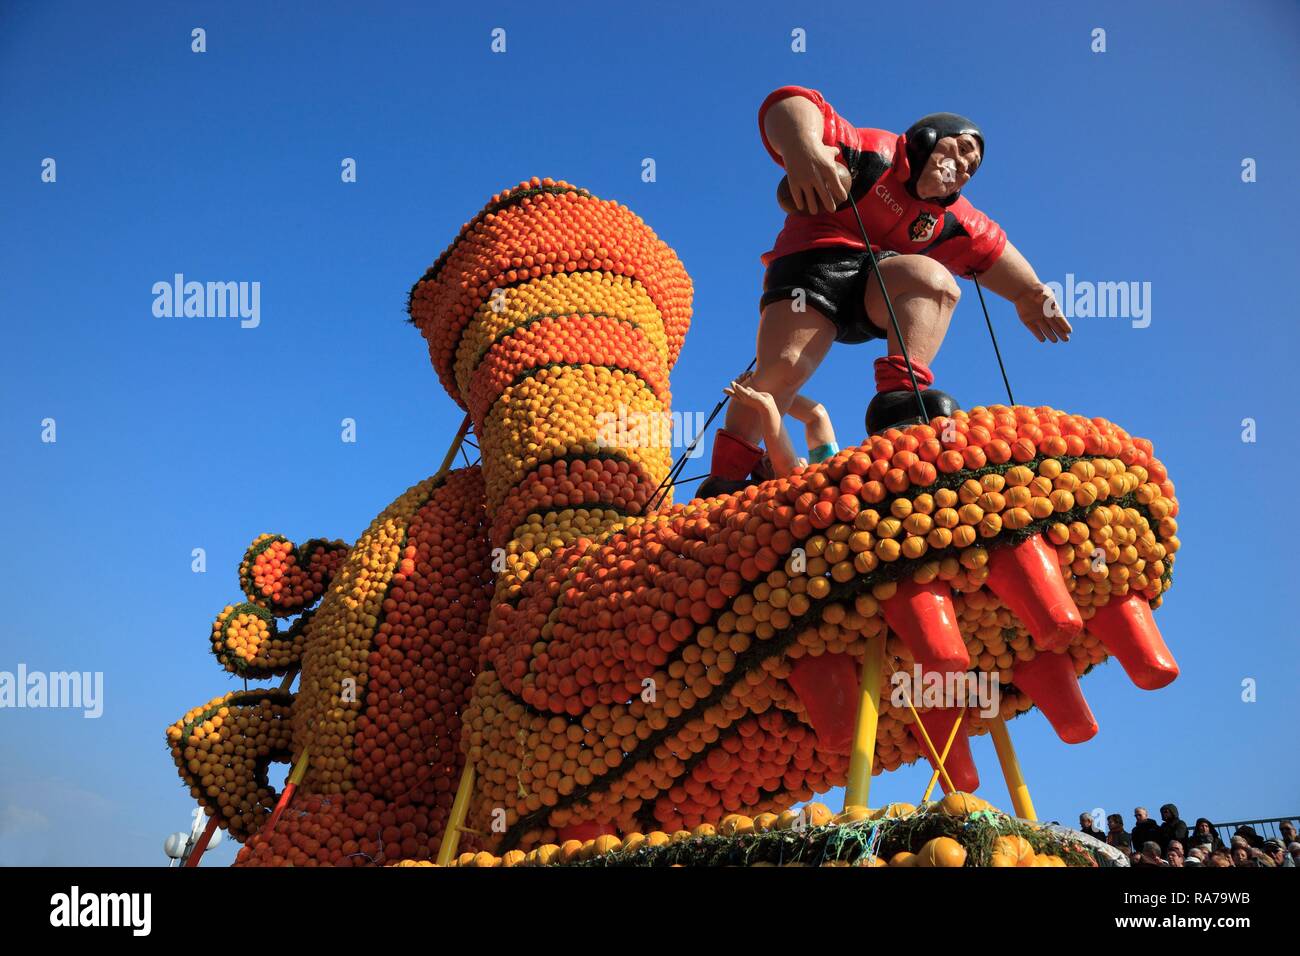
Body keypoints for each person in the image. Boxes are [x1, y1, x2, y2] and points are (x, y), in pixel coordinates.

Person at [699, 85, 1071, 498]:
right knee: (784, 367)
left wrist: (1029, 292)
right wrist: (804, 148)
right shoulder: (875, 154)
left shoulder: (948, 217)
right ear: (926, 137)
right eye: (960, 148)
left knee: (935, 281)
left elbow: (990, 245)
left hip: (875, 285)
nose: (964, 165)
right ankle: (728, 475)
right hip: (812, 267)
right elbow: (793, 103)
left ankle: (899, 403)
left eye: (972, 165)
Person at [722, 371, 838, 480]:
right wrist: (767, 405)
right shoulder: (799, 487)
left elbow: (817, 416)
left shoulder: (826, 474)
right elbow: (789, 470)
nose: (769, 452)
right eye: (769, 461)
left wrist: (775, 391)